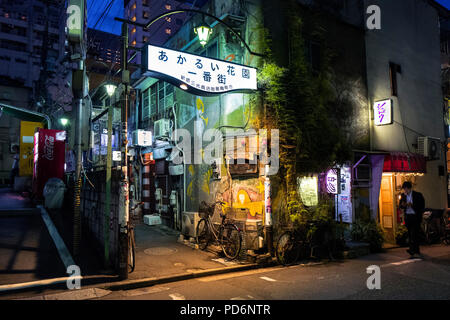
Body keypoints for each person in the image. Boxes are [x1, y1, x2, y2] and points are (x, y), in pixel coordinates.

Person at [399, 181, 425, 258]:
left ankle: (415, 249)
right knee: (410, 234)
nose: (405, 191)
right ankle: (412, 249)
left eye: (406, 189)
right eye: (404, 189)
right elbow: (401, 205)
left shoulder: (417, 195)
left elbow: (422, 205)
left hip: (415, 216)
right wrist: (403, 205)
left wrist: (412, 205)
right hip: (408, 216)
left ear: (410, 188)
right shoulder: (403, 196)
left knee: (415, 233)